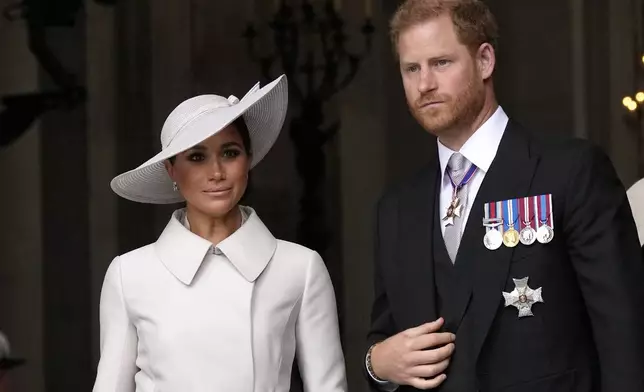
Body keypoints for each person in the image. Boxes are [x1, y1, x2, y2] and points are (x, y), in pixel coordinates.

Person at [363, 0, 644, 391]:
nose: (424, 83)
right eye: (412, 68)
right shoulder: (395, 209)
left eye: (441, 63)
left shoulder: (571, 172)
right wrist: (376, 364)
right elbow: (385, 341)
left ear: (484, 61)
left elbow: (626, 338)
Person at [93, 75, 347, 392]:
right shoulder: (128, 275)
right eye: (197, 157)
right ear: (172, 170)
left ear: (248, 159)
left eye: (230, 153)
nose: (216, 173)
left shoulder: (301, 267)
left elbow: (328, 387)